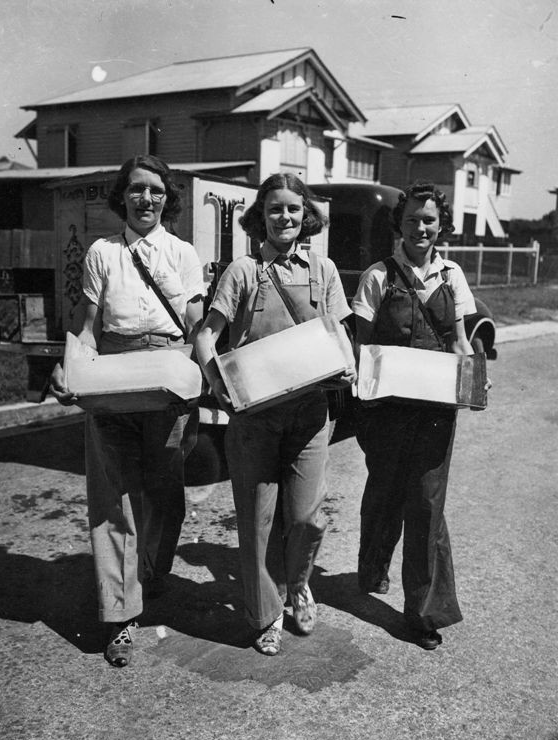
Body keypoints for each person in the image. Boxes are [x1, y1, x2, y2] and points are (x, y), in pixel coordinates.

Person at [51, 155, 205, 667]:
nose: (146, 199)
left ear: (168, 198)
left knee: (164, 489)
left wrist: (211, 379)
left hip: (168, 377)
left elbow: (197, 326)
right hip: (114, 379)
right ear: (123, 196)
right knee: (113, 496)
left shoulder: (183, 254)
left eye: (156, 191)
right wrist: (69, 365)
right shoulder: (102, 253)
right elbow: (89, 324)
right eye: (137, 190)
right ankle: (119, 614)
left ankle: (151, 574)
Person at [195, 172, 354, 656]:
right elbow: (206, 337)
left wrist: (348, 364)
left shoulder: (323, 269)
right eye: (274, 210)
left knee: (306, 518)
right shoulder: (242, 272)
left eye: (293, 209)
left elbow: (338, 331)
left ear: (306, 215)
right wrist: (218, 387)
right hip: (255, 418)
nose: (285, 217)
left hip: (310, 415)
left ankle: (298, 585)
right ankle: (265, 615)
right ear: (259, 218)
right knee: (257, 521)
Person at [352, 180, 484, 650]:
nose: (420, 228)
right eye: (412, 219)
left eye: (429, 219)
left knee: (427, 505)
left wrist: (473, 380)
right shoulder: (378, 276)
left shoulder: (453, 275)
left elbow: (458, 341)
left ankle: (423, 612)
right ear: (400, 224)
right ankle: (373, 569)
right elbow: (361, 345)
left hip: (434, 412)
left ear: (441, 224)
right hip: (385, 411)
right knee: (384, 493)